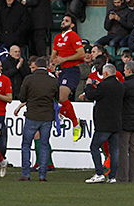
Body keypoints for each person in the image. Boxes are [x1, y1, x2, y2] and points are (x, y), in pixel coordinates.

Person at [18, 57, 59, 181]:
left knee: (26, 145)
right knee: (44, 144)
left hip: (32, 115)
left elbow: (22, 97)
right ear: (46, 66)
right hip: (47, 116)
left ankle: (26, 173)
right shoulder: (53, 81)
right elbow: (57, 98)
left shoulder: (29, 79)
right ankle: (42, 174)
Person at [84, 63, 124, 184]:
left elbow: (91, 95)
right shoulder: (120, 86)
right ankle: (112, 177)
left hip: (103, 123)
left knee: (94, 147)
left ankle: (99, 173)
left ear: (106, 73)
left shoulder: (104, 85)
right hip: (116, 122)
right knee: (114, 150)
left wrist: (89, 85)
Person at [50, 14, 85, 142]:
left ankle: (75, 124)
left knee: (61, 97)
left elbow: (81, 53)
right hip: (62, 70)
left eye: (66, 21)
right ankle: (73, 120)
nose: (63, 22)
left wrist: (64, 59)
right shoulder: (58, 37)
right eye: (63, 20)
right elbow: (53, 55)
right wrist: (52, 65)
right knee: (53, 98)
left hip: (72, 69)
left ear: (72, 25)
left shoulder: (73, 36)